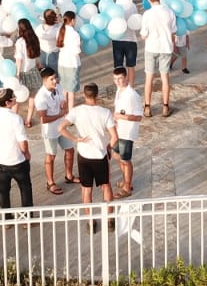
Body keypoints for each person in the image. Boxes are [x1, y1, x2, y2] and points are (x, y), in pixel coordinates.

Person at [60, 83, 117, 229]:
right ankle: (110, 219)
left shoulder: (77, 111)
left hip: (84, 155)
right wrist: (108, 146)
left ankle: (90, 222)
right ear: (97, 95)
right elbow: (114, 137)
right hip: (100, 155)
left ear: (84, 95)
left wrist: (75, 139)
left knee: (86, 189)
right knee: (106, 186)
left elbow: (61, 128)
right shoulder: (105, 112)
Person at [0, 87, 33, 215]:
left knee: (3, 189)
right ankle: (27, 219)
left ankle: (7, 218)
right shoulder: (16, 119)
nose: (15, 98)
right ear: (8, 103)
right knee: (25, 188)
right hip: (17, 160)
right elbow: (22, 141)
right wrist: (26, 153)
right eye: (13, 97)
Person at [28, 68, 74, 194]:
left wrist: (63, 105)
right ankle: (50, 182)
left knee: (70, 150)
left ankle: (69, 176)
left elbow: (63, 99)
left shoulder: (58, 87)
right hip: (50, 132)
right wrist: (61, 114)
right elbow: (43, 119)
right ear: (44, 81)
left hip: (62, 127)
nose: (55, 81)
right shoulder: (40, 97)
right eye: (51, 79)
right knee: (51, 156)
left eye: (55, 78)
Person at [140, 0, 176, 118]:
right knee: (165, 78)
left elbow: (144, 35)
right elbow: (173, 31)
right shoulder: (169, 12)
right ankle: (165, 106)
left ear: (149, 0)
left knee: (149, 78)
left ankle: (147, 107)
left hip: (151, 47)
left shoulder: (147, 14)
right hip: (166, 47)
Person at [110, 65, 143, 196]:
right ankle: (126, 181)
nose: (117, 81)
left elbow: (139, 116)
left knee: (125, 160)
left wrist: (121, 116)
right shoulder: (119, 91)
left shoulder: (132, 95)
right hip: (119, 130)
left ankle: (127, 187)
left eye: (120, 78)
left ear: (126, 77)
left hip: (127, 132)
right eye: (115, 79)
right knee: (116, 155)